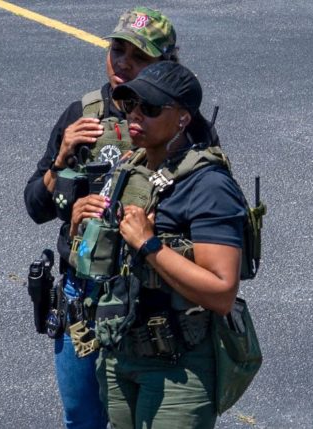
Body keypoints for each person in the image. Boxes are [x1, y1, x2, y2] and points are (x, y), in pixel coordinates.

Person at [23, 7, 178, 428]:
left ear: (165, 64)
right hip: (83, 293)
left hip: (148, 298)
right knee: (82, 418)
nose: (123, 62)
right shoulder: (83, 113)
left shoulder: (179, 122)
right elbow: (35, 206)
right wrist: (60, 159)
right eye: (117, 49)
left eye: (139, 57)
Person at [71, 61, 245, 428]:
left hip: (177, 367)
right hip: (120, 353)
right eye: (131, 104)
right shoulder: (128, 169)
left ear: (182, 119)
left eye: (149, 109)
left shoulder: (209, 186)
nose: (135, 115)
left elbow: (221, 291)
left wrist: (149, 245)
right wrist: (81, 226)